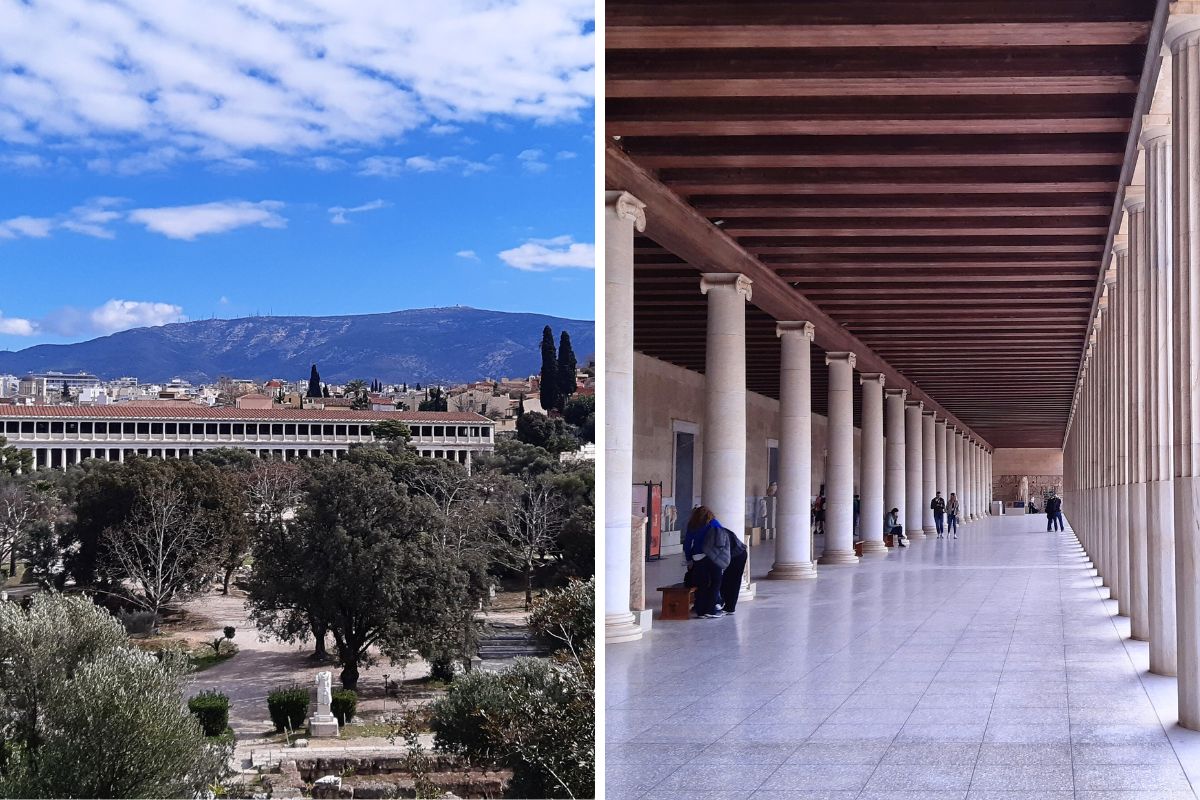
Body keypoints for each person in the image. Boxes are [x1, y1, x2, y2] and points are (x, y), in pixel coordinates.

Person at [683, 506, 727, 618]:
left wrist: (689, 559)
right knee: (715, 582)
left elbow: (687, 544)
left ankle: (701, 611)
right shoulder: (713, 523)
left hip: (697, 557)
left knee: (701, 584)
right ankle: (711, 610)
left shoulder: (692, 525)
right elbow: (722, 538)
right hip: (712, 557)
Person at [718, 525, 748, 614]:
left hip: (738, 555)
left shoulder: (716, 531)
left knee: (733, 581)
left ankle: (729, 607)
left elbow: (723, 550)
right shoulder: (715, 528)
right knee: (725, 580)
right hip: (734, 553)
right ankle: (721, 603)